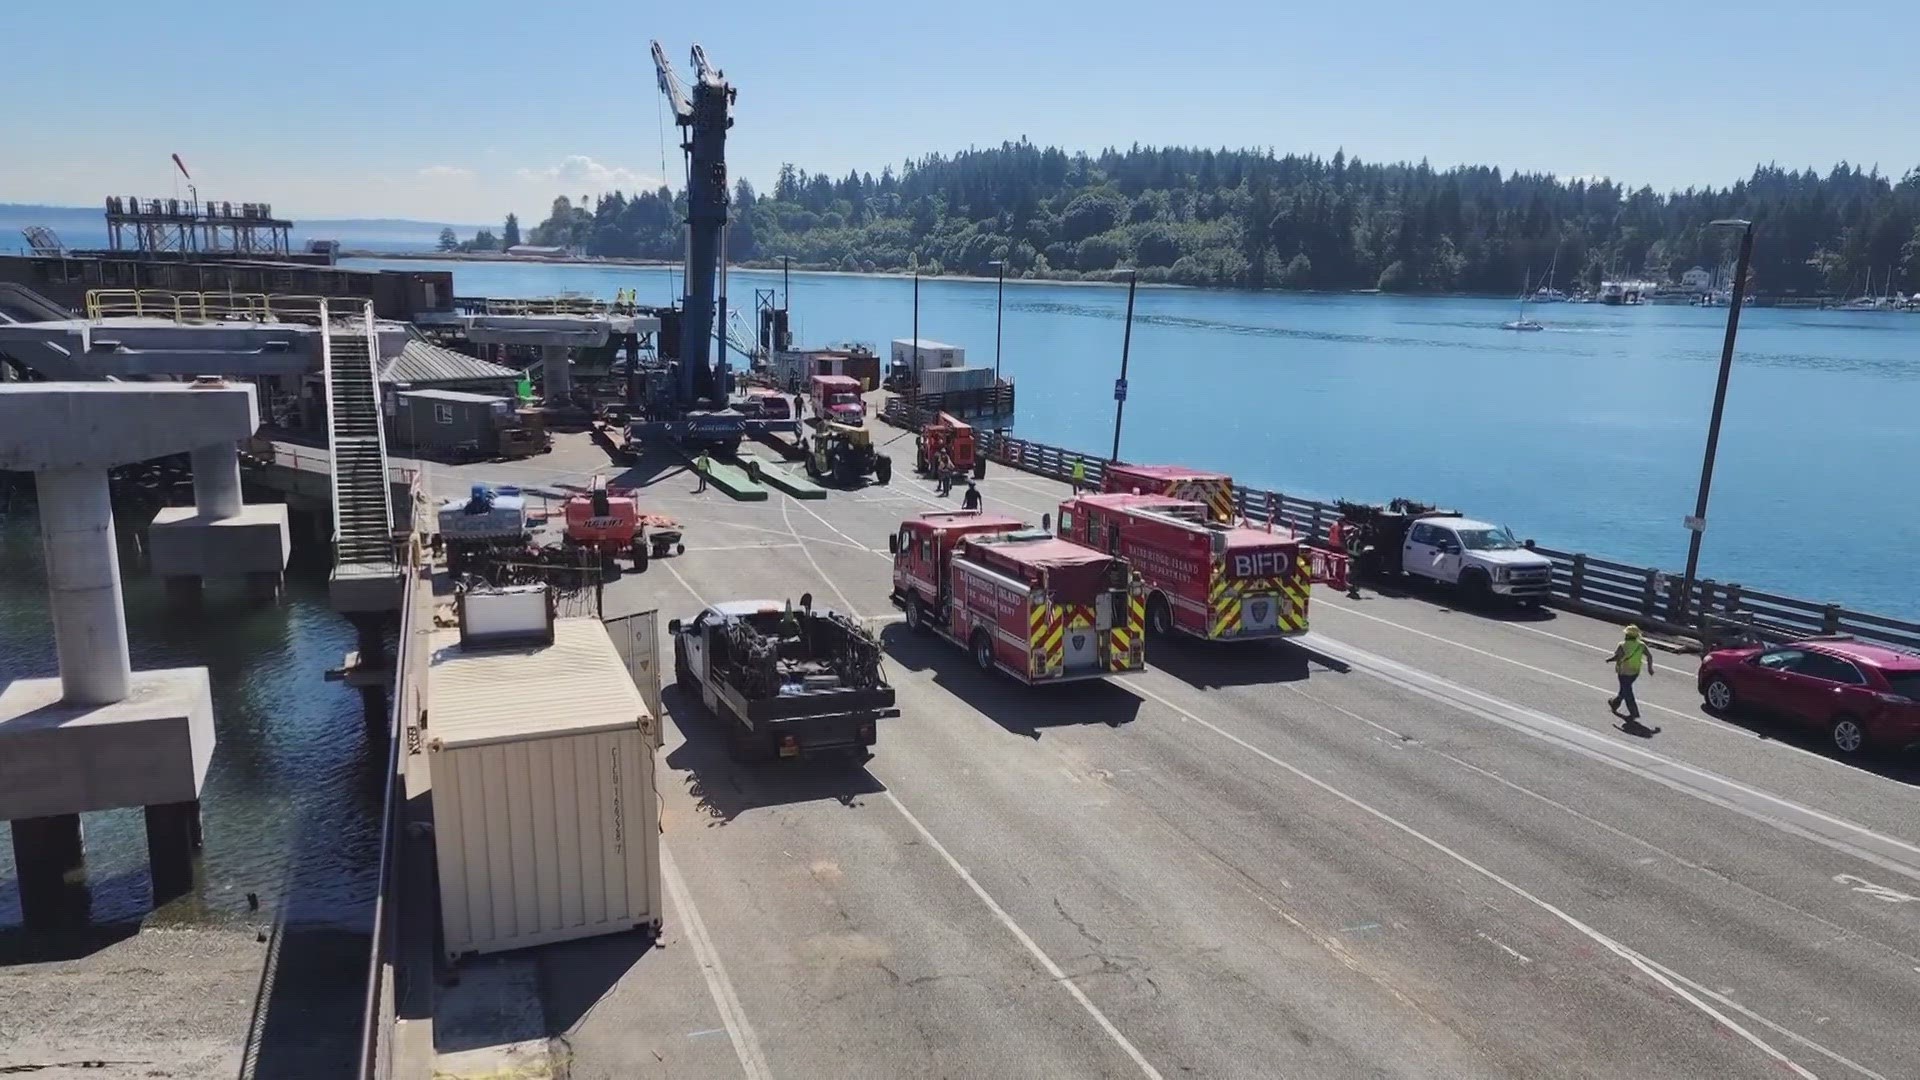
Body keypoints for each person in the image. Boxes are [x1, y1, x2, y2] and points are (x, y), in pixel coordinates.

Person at [1607, 625, 1654, 731]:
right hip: (1634, 672)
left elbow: (1617, 657)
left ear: (1627, 635)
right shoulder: (1641, 645)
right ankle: (1615, 703)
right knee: (1625, 689)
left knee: (1627, 691)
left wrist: (1609, 660)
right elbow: (1650, 656)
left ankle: (1633, 712)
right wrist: (1650, 668)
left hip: (1623, 671)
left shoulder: (1622, 645)